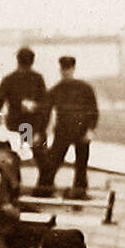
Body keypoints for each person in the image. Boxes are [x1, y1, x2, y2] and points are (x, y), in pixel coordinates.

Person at [34, 56, 99, 198]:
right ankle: (44, 189)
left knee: (81, 164)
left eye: (68, 69)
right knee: (53, 161)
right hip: (63, 131)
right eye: (64, 69)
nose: (66, 72)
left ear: (73, 69)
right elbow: (45, 112)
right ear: (60, 70)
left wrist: (90, 129)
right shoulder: (56, 90)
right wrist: (39, 131)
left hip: (82, 131)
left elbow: (93, 110)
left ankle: (80, 192)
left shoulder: (85, 88)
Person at [0, 47, 50, 172]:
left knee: (17, 156)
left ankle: (16, 183)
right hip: (32, 125)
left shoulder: (10, 79)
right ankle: (44, 187)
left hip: (15, 124)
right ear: (32, 61)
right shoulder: (37, 78)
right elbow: (45, 103)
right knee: (40, 158)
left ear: (18, 61)